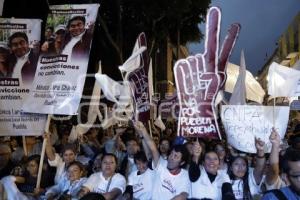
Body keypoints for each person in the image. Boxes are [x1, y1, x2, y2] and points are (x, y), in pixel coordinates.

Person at [134, 121, 190, 200]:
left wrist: (180, 197)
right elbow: (153, 149)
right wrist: (143, 130)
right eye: (171, 154)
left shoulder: (184, 175)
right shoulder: (162, 164)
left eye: (176, 156)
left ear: (182, 162)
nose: (171, 157)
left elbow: (183, 194)